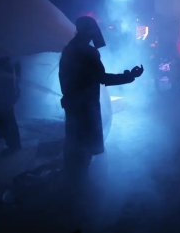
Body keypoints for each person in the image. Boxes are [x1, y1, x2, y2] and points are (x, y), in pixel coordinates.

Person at [59, 16, 144, 186]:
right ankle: (78, 190)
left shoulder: (69, 49)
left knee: (75, 145)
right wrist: (129, 76)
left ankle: (72, 183)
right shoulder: (86, 52)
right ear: (88, 31)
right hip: (86, 107)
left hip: (73, 105)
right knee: (84, 148)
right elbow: (102, 77)